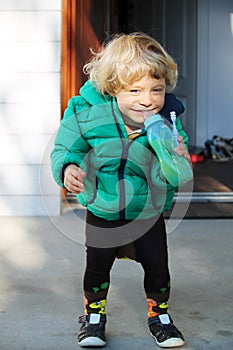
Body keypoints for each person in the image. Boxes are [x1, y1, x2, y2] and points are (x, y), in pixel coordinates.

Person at [51, 32, 191, 348]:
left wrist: (177, 154)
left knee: (157, 263)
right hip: (103, 207)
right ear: (113, 88)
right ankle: (94, 317)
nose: (148, 99)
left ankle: (161, 317)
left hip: (147, 209)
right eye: (136, 90)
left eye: (157, 89)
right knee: (97, 264)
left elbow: (176, 159)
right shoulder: (86, 113)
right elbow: (64, 148)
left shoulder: (166, 116)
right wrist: (68, 168)